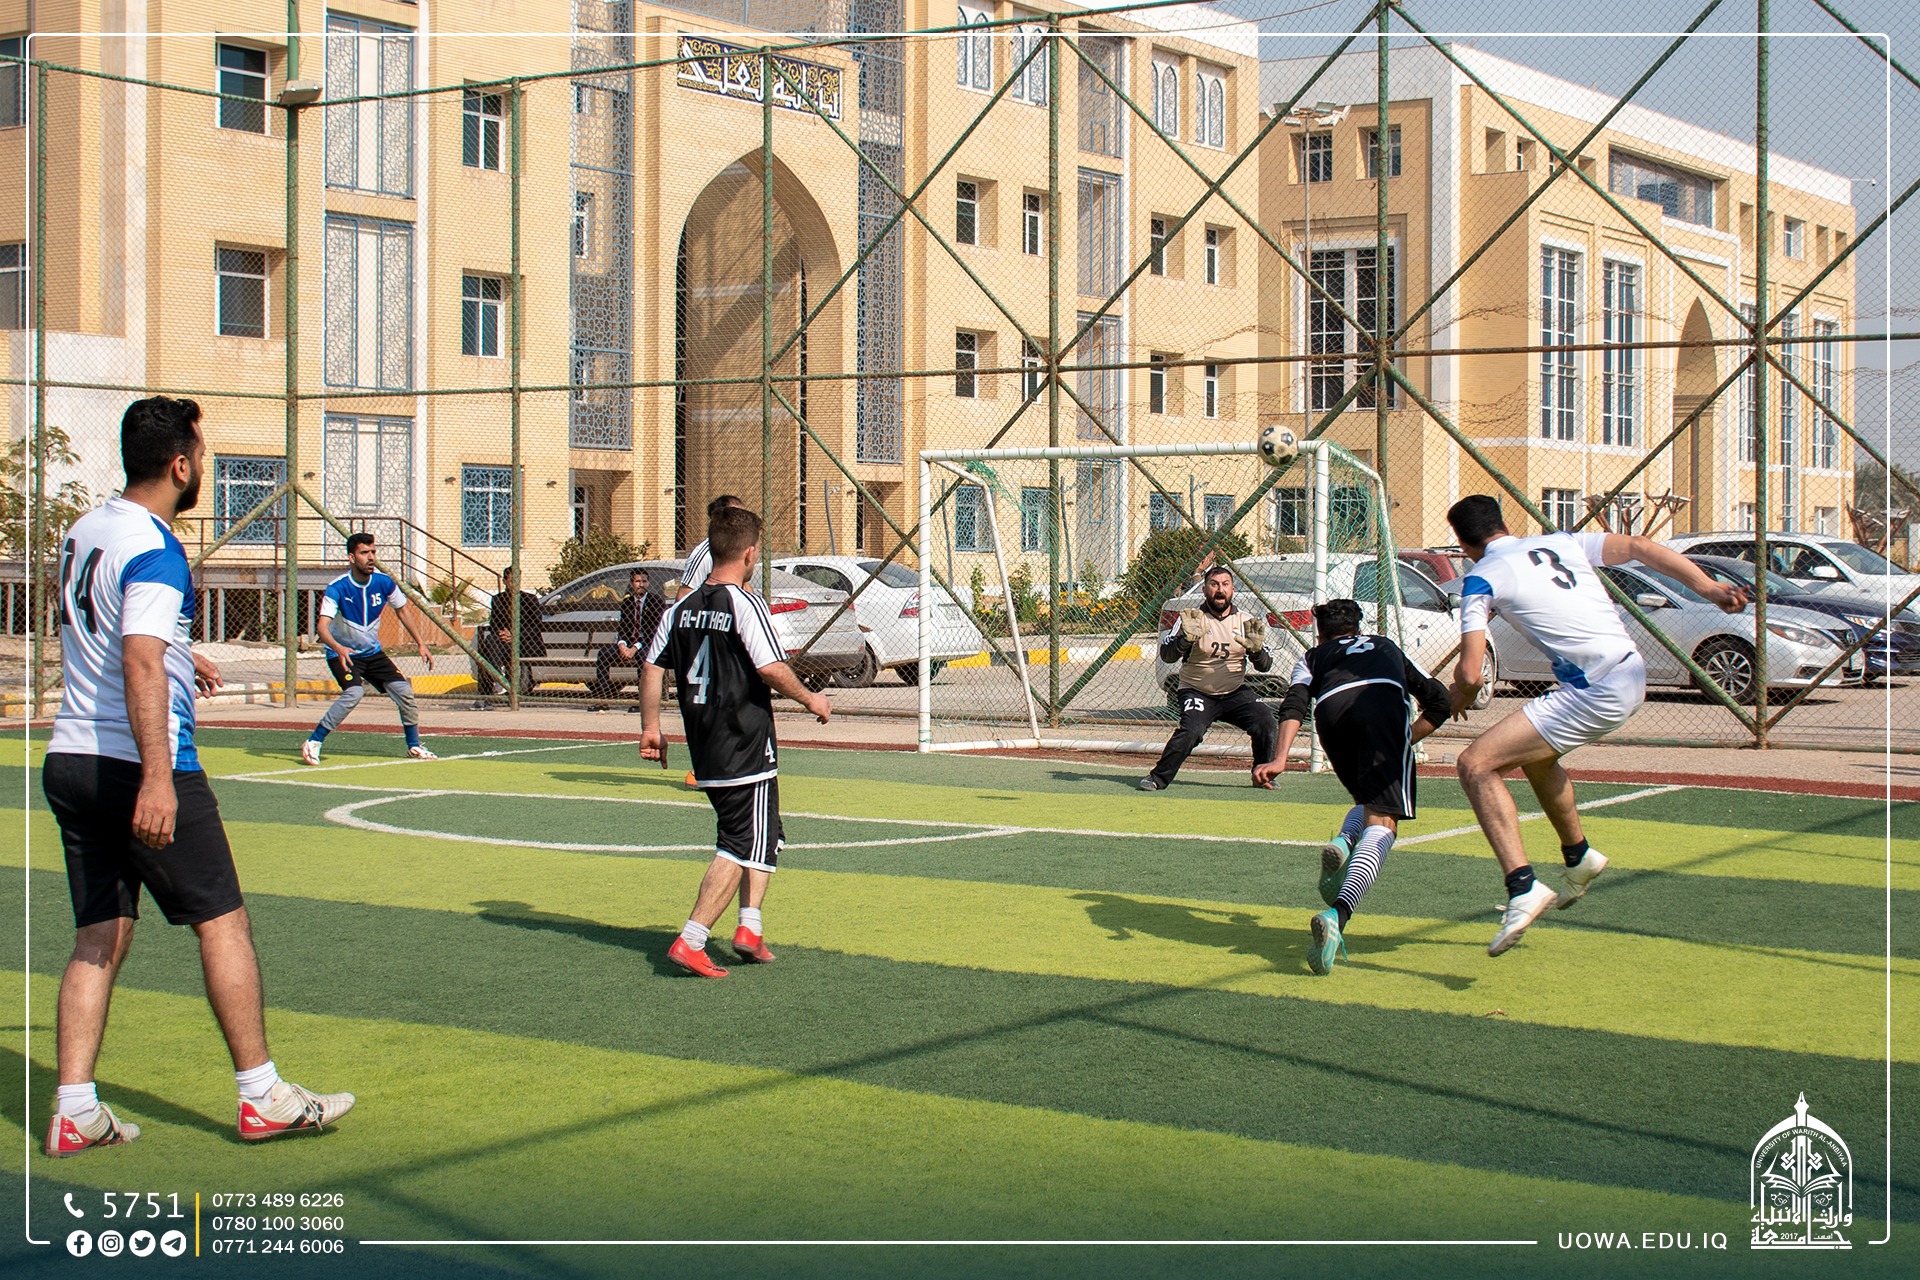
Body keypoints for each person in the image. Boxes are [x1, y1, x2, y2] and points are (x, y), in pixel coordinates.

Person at [41, 395, 355, 1157]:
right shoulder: (156, 547)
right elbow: (138, 658)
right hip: (141, 764)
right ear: (180, 466)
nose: (205, 467)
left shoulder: (84, 530)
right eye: (204, 457)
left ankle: (74, 1109)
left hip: (71, 758)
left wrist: (184, 653)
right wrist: (157, 777)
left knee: (98, 934)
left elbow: (114, 633)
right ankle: (262, 1095)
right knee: (224, 922)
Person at [1444, 495, 1749, 955]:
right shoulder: (1561, 542)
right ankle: (1579, 856)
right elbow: (1640, 546)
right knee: (1537, 758)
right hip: (1629, 671)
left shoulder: (1481, 576)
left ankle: (1522, 886)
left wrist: (1459, 695)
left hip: (1597, 688)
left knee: (1476, 764)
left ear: (1464, 543)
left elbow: (1470, 674)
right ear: (1503, 523)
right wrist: (1708, 588)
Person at [638, 505, 832, 978]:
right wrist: (812, 698)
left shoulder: (679, 609)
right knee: (740, 841)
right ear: (748, 554)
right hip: (745, 742)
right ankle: (692, 939)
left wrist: (650, 727)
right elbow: (771, 668)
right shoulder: (745, 605)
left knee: (767, 832)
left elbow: (651, 666)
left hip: (705, 744)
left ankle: (750, 927)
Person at [1252, 599, 1450, 975]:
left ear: (1320, 634)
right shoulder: (1385, 645)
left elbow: (1293, 705)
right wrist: (1401, 741)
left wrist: (1279, 759)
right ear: (1359, 629)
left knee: (1368, 800)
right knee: (1383, 823)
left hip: (1331, 718)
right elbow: (1439, 701)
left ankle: (1345, 841)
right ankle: (1337, 916)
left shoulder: (1311, 657)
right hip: (1379, 710)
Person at [1140, 564, 1278, 791]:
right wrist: (1185, 640)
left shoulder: (1245, 621)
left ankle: (1263, 775)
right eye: (1214, 585)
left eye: (1225, 584)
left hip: (1234, 691)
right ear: (1204, 590)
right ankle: (1157, 778)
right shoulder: (1192, 618)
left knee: (1265, 721)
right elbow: (1167, 655)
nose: (1220, 590)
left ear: (1232, 590)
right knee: (1192, 730)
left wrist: (1256, 651)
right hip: (1197, 690)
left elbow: (1265, 666)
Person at [301, 532, 436, 764]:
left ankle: (414, 745)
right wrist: (338, 647)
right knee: (354, 693)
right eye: (364, 553)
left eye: (373, 552)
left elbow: (403, 610)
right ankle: (314, 741)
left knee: (404, 691)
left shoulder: (384, 582)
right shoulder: (337, 587)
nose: (371, 557)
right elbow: (322, 628)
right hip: (343, 654)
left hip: (372, 653)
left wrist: (421, 643)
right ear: (352, 557)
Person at [590, 566, 665, 712]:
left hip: (648, 643)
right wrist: (622, 645)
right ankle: (603, 700)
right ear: (632, 584)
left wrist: (634, 648)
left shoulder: (656, 602)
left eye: (644, 581)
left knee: (643, 657)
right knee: (604, 654)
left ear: (648, 583)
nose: (641, 584)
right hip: (629, 643)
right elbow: (623, 628)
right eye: (637, 581)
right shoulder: (628, 603)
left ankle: (643, 702)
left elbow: (654, 632)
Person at [473, 565, 546, 705]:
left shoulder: (530, 599)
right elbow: (494, 624)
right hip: (504, 644)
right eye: (512, 581)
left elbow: (536, 626)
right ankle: (496, 678)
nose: (515, 584)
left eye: (517, 581)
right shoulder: (498, 599)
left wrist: (514, 636)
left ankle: (495, 681)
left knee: (489, 653)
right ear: (505, 581)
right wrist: (502, 634)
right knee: (491, 641)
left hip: (525, 644)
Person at [676, 493, 744, 602]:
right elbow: (683, 596)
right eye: (735, 515)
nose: (743, 520)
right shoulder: (705, 554)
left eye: (743, 514)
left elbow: (744, 586)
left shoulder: (740, 549)